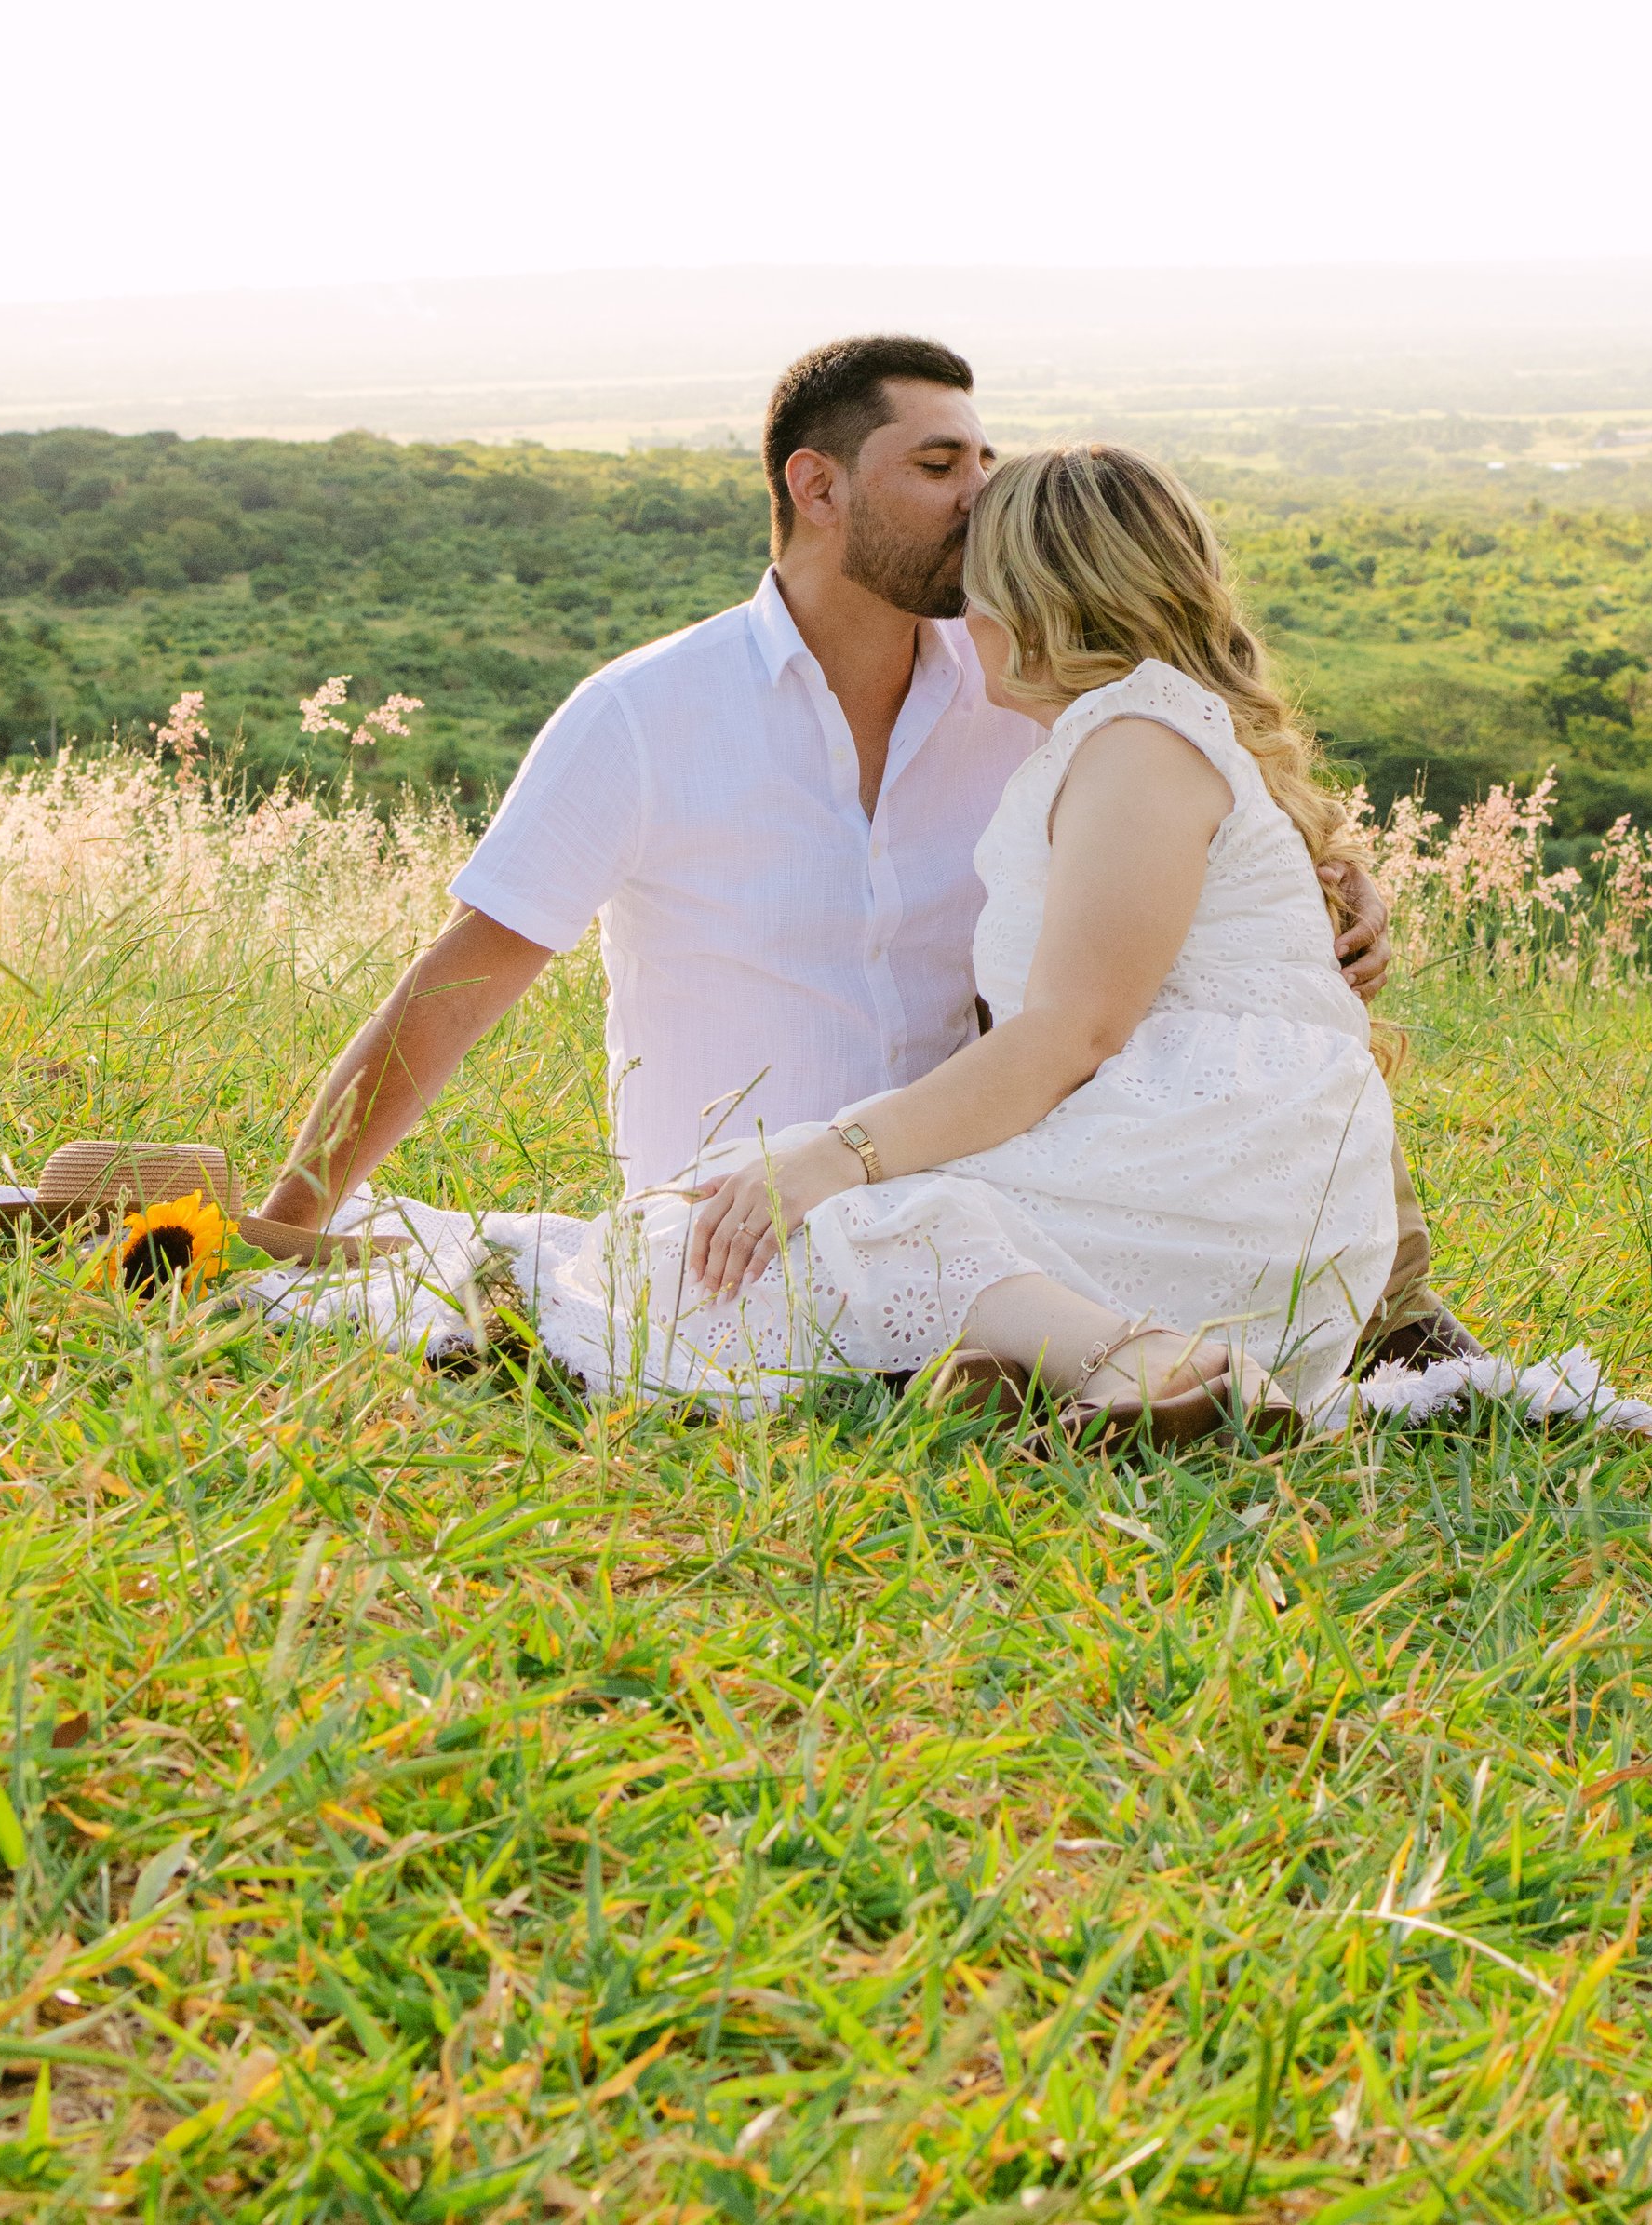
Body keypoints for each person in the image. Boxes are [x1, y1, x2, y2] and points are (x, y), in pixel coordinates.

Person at [258, 335, 1473, 1371]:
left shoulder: (1029, 701)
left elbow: (1187, 860)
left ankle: (1379, 1317)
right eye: (940, 465)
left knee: (1242, 1082)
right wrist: (288, 1217)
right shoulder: (645, 715)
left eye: (986, 461)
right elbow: (459, 982)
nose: (977, 495)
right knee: (545, 1277)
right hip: (749, 1200)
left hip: (1001, 1168)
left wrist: (1335, 885)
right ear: (819, 485)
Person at [501, 440, 1421, 1431]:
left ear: (1026, 603)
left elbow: (1073, 1032)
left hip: (1215, 1186)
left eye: (970, 590)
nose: (961, 622)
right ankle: (1036, 1365)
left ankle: (1157, 1361)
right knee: (702, 1236)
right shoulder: (1130, 734)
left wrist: (841, 1154)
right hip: (1198, 1173)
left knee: (756, 1240)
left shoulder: (1139, 745)